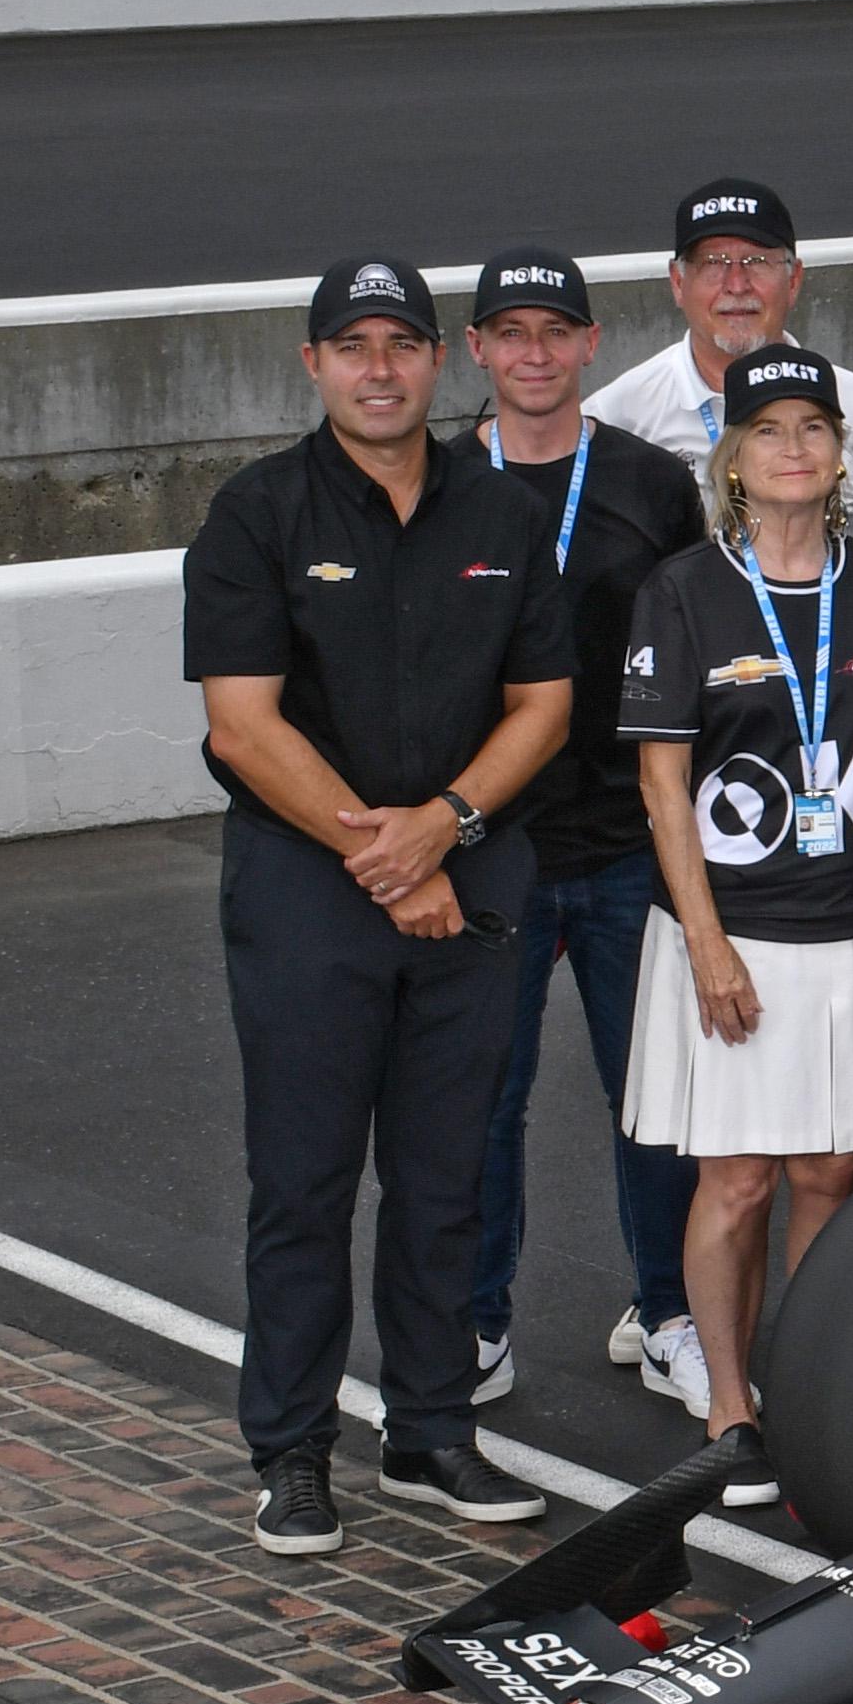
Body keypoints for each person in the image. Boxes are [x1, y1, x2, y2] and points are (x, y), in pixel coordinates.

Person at [181, 258, 573, 1553]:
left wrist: (446, 829)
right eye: (352, 347)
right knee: (301, 1183)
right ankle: (291, 1451)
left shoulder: (504, 519)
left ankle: (431, 1432)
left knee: (442, 1177)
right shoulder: (256, 515)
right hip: (312, 897)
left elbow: (544, 707)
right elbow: (242, 729)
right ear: (313, 366)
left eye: (401, 343)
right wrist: (386, 857)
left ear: (435, 360)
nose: (380, 367)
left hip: (470, 880)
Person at [619, 347, 853, 1501]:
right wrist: (704, 943)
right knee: (740, 1179)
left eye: (817, 426)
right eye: (771, 430)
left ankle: (803, 1385)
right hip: (738, 932)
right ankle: (727, 1401)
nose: (798, 446)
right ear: (734, 460)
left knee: (830, 1171)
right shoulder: (682, 592)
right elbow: (663, 790)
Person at [449, 250, 706, 1418]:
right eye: (512, 333)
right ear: (479, 352)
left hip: (624, 844)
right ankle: (477, 1320)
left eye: (557, 331)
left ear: (592, 343)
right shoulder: (440, 479)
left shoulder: (651, 484)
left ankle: (668, 1316)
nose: (536, 353)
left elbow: (693, 656)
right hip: (489, 850)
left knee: (654, 1097)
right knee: (478, 1096)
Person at [588, 176, 853, 523]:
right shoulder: (619, 415)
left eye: (757, 262)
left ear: (793, 280)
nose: (736, 285)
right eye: (713, 263)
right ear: (677, 283)